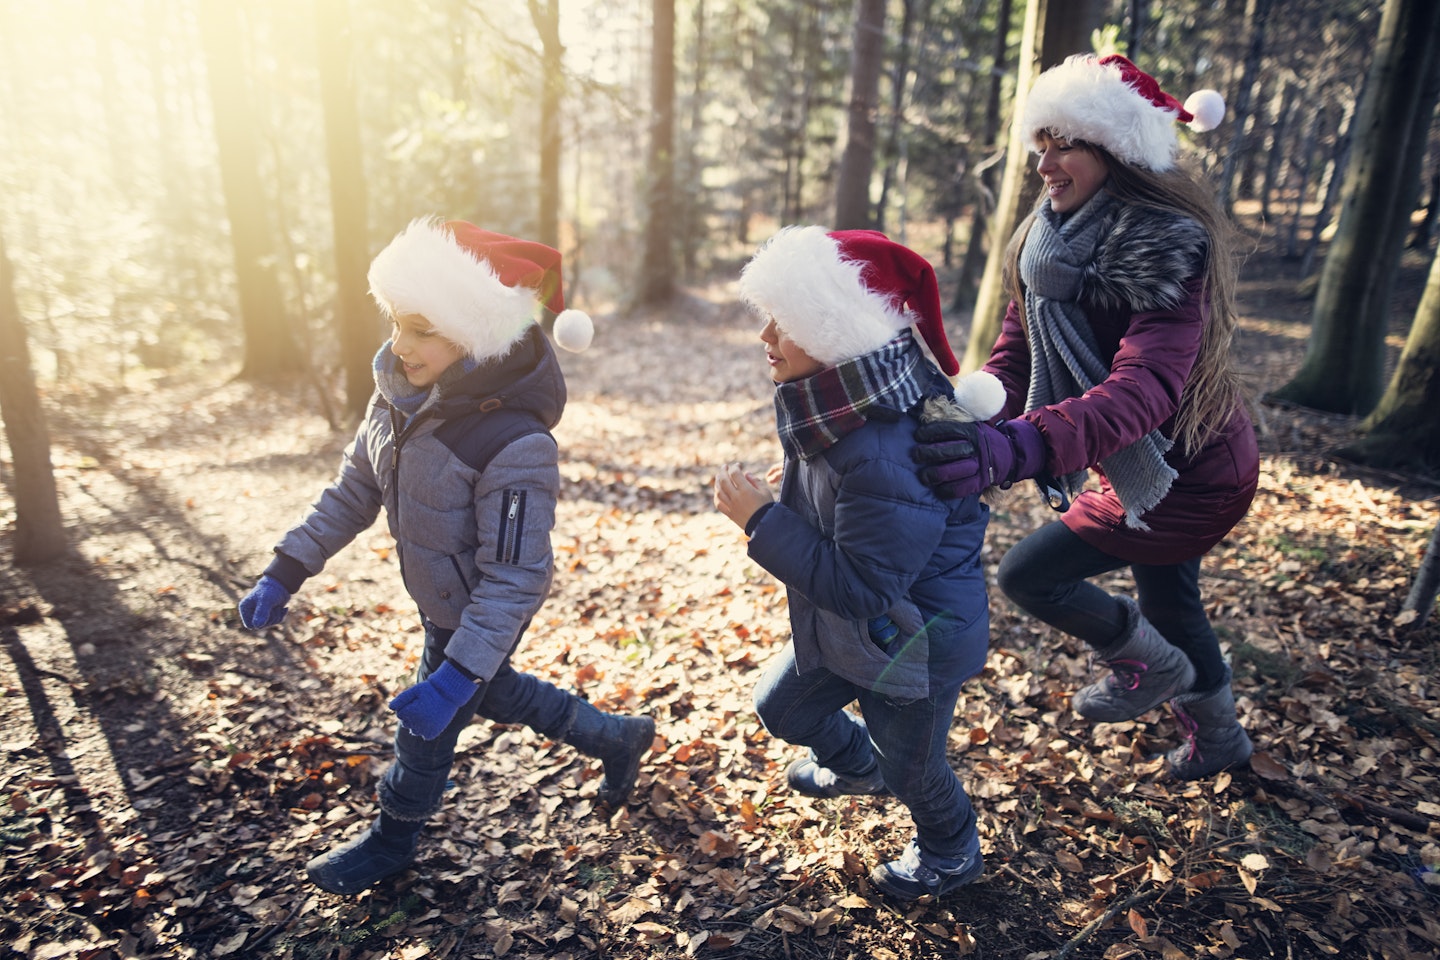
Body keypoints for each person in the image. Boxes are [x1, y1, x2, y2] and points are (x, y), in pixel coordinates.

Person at [237, 218, 655, 895]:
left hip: (481, 608)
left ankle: (391, 838)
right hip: (443, 597)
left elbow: (516, 578)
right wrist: (285, 571)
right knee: (501, 693)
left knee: (428, 729)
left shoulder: (513, 442)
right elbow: (351, 494)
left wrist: (455, 675)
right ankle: (615, 736)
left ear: (477, 330)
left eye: (424, 328)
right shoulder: (397, 402)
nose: (401, 344)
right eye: (397, 323)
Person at [914, 54, 1257, 780]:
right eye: (1042, 143)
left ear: (1117, 151)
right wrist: (970, 409)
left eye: (1065, 144)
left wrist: (1018, 449)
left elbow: (1145, 389)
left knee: (1029, 576)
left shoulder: (1164, 249)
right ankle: (1219, 738)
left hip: (1190, 470)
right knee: (1172, 599)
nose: (1046, 164)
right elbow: (1016, 354)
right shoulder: (1047, 240)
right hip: (1140, 464)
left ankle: (1153, 670)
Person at [713, 226, 1007, 901]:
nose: (765, 338)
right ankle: (852, 767)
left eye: (781, 323)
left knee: (915, 771)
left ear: (832, 329)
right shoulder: (840, 406)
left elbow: (865, 584)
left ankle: (952, 853)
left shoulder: (883, 443)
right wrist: (792, 497)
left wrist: (762, 520)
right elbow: (852, 508)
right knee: (780, 707)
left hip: (913, 643)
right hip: (861, 631)